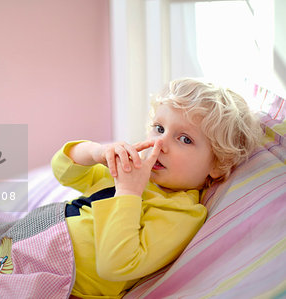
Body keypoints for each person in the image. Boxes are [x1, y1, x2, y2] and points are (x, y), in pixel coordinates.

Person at [52, 78, 262, 298]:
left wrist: (128, 192)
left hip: (59, 282)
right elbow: (62, 170)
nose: (159, 144)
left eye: (184, 139)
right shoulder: (131, 170)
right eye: (159, 128)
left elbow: (114, 265)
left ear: (217, 163)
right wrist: (96, 152)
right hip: (31, 235)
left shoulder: (181, 213)